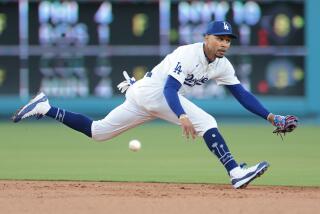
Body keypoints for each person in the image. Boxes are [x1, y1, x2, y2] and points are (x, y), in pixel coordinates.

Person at [12, 21, 297, 189]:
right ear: (206, 38)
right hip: (156, 95)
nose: (223, 44)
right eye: (219, 38)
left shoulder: (222, 65)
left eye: (227, 40)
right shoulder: (188, 54)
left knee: (98, 132)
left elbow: (242, 94)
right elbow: (170, 89)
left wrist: (271, 117)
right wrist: (182, 115)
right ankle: (235, 172)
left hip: (143, 96)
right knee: (207, 122)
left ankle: (45, 107)